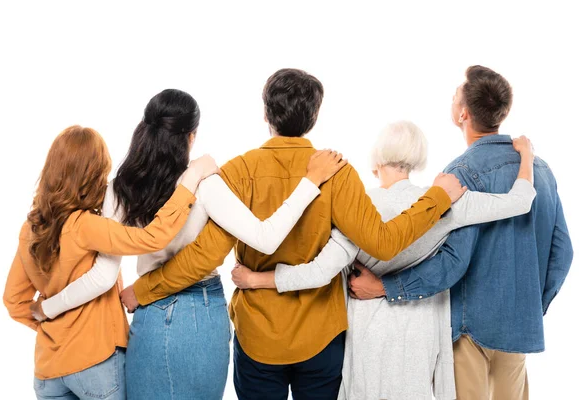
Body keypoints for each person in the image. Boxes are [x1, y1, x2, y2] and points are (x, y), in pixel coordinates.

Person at [120, 69, 467, 400]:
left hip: (259, 336)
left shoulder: (240, 171)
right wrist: (437, 197)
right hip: (321, 337)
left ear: (266, 114)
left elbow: (204, 257)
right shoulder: (337, 172)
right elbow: (383, 243)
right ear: (314, 117)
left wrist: (145, 289)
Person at [31, 89, 347, 400]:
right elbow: (266, 238)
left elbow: (102, 276)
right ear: (191, 136)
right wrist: (310, 182)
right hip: (200, 310)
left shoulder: (120, 188)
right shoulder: (206, 185)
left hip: (150, 313)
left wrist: (47, 309)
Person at [231, 121, 536, 400]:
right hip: (421, 328)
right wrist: (526, 157)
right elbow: (521, 202)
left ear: (376, 162)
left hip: (367, 330)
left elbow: (320, 272)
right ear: (418, 159)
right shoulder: (447, 200)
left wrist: (257, 279)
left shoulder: (359, 209)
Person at [345, 66, 574, 400]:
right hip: (517, 329)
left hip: (469, 331)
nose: (452, 98)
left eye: (455, 94)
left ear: (462, 114)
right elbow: (562, 252)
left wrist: (385, 287)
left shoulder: (459, 174)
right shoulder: (540, 169)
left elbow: (452, 262)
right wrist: (530, 307)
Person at [3, 125, 220, 399]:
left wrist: (51, 324)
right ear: (94, 174)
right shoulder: (87, 226)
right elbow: (154, 237)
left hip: (48, 372)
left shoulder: (30, 228)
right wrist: (191, 180)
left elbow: (13, 301)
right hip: (96, 363)